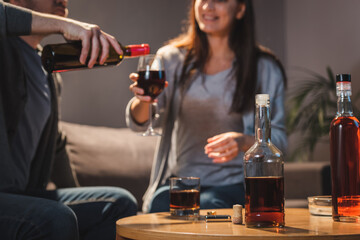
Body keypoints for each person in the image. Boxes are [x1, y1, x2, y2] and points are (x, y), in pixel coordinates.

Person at [126, 0, 287, 213]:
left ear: (240, 9)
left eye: (219, 0)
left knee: (211, 207)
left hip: (235, 185)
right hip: (181, 182)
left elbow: (281, 143)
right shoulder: (171, 59)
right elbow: (140, 123)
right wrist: (143, 100)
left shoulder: (264, 68)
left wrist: (243, 141)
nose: (208, 6)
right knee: (160, 206)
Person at [0, 0, 137, 239]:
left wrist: (81, 203)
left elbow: (55, 145)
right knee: (56, 217)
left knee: (117, 205)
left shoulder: (47, 70)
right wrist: (63, 25)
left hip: (21, 197)